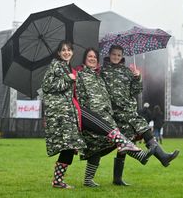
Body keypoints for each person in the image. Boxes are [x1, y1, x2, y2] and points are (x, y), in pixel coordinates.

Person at [41, 41, 151, 189]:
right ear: (59, 53)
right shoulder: (72, 71)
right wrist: (69, 78)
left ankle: (58, 181)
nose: (66, 52)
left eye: (68, 50)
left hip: (95, 114)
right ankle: (129, 147)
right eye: (63, 50)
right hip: (75, 112)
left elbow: (125, 91)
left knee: (70, 147)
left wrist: (137, 78)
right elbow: (49, 87)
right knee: (100, 139)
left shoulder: (95, 75)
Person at [101, 44, 179, 185]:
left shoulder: (127, 71)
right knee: (125, 141)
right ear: (109, 54)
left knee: (135, 134)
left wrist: (137, 77)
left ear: (122, 56)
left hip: (128, 110)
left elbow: (136, 91)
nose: (116, 57)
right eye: (114, 54)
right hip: (114, 113)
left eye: (119, 55)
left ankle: (162, 157)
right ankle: (162, 157)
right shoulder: (102, 71)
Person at [75, 48, 154, 187]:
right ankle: (140, 155)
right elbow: (80, 97)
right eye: (89, 56)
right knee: (100, 144)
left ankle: (89, 180)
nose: (92, 58)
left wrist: (137, 77)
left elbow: (130, 90)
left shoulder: (97, 75)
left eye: (94, 56)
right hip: (92, 116)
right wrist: (87, 116)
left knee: (99, 146)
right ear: (84, 59)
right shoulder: (81, 75)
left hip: (106, 116)